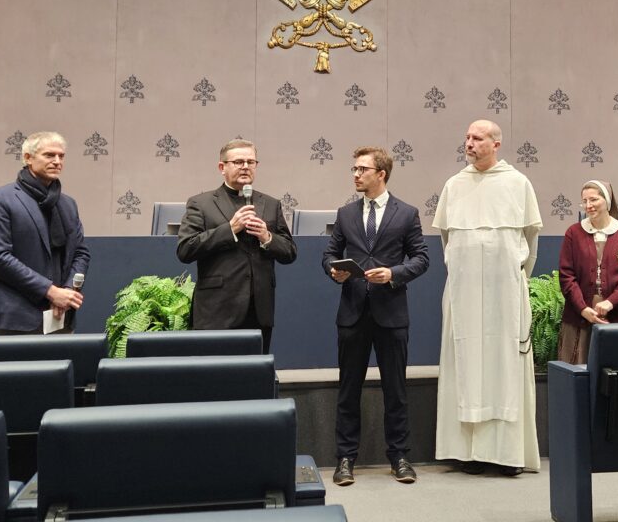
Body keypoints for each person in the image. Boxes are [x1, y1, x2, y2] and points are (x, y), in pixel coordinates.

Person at [434, 119, 542, 476]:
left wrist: (511, 274)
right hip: (463, 291)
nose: (469, 143)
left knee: (503, 364)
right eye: (466, 137)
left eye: (477, 138)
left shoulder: (517, 183)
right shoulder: (454, 185)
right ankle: (468, 452)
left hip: (504, 294)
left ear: (496, 144)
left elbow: (529, 241)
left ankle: (506, 454)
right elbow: (447, 241)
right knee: (464, 360)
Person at [323, 147, 429, 487]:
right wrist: (333, 271)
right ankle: (345, 459)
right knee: (348, 389)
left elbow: (422, 258)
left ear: (381, 173)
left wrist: (394, 273)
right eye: (354, 168)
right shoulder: (345, 213)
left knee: (395, 390)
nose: (355, 174)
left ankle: (399, 456)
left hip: (391, 313)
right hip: (352, 312)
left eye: (362, 169)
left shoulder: (407, 213)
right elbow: (329, 254)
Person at [177, 138, 296, 353]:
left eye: (251, 162)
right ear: (222, 167)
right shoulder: (201, 203)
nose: (245, 167)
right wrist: (230, 228)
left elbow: (289, 252)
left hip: (259, 310)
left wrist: (267, 236)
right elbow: (186, 248)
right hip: (216, 311)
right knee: (214, 379)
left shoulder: (270, 204)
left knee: (253, 378)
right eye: (238, 162)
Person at [0, 131, 88, 334]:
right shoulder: (0, 199)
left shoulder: (68, 204)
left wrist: (67, 292)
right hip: (17, 318)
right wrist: (50, 291)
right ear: (27, 158)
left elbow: (81, 253)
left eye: (61, 156)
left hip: (61, 314)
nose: (57, 161)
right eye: (49, 155)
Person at [557, 181, 618, 365]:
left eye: (594, 199)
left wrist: (610, 303)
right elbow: (567, 276)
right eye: (584, 201)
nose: (588, 206)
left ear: (607, 201)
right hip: (579, 319)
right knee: (579, 376)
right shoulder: (573, 233)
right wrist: (583, 309)